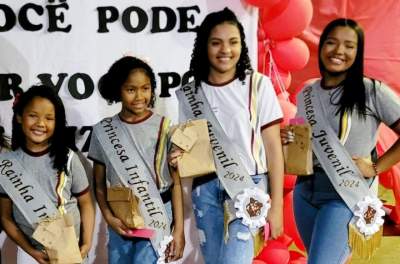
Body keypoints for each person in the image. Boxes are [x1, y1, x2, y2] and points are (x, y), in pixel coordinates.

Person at [169, 7, 284, 264]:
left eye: (233, 42)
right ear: (204, 47)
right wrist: (178, 155)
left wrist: (277, 207)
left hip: (248, 187)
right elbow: (190, 147)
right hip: (204, 189)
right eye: (216, 43)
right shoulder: (191, 94)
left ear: (242, 45)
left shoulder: (258, 85)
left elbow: (274, 149)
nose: (225, 50)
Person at [282, 18, 400, 264]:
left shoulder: (371, 91)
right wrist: (291, 141)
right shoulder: (307, 93)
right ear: (322, 46)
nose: (339, 51)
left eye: (349, 45)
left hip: (345, 194)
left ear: (358, 53)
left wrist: (377, 167)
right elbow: (304, 147)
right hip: (305, 192)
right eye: (332, 42)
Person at [88, 56, 184, 264]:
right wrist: (108, 217)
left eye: (145, 88)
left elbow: (175, 183)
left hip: (158, 212)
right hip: (121, 216)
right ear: (117, 90)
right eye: (131, 89)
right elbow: (99, 184)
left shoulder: (165, 127)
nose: (140, 96)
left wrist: (179, 231)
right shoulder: (103, 131)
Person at [0, 85, 95, 264]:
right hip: (31, 254)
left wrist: (87, 242)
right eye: (33, 115)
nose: (40, 124)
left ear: (56, 122)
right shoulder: (6, 165)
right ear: (20, 117)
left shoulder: (68, 158)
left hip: (70, 250)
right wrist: (30, 251)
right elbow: (5, 216)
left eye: (49, 118)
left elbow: (86, 203)